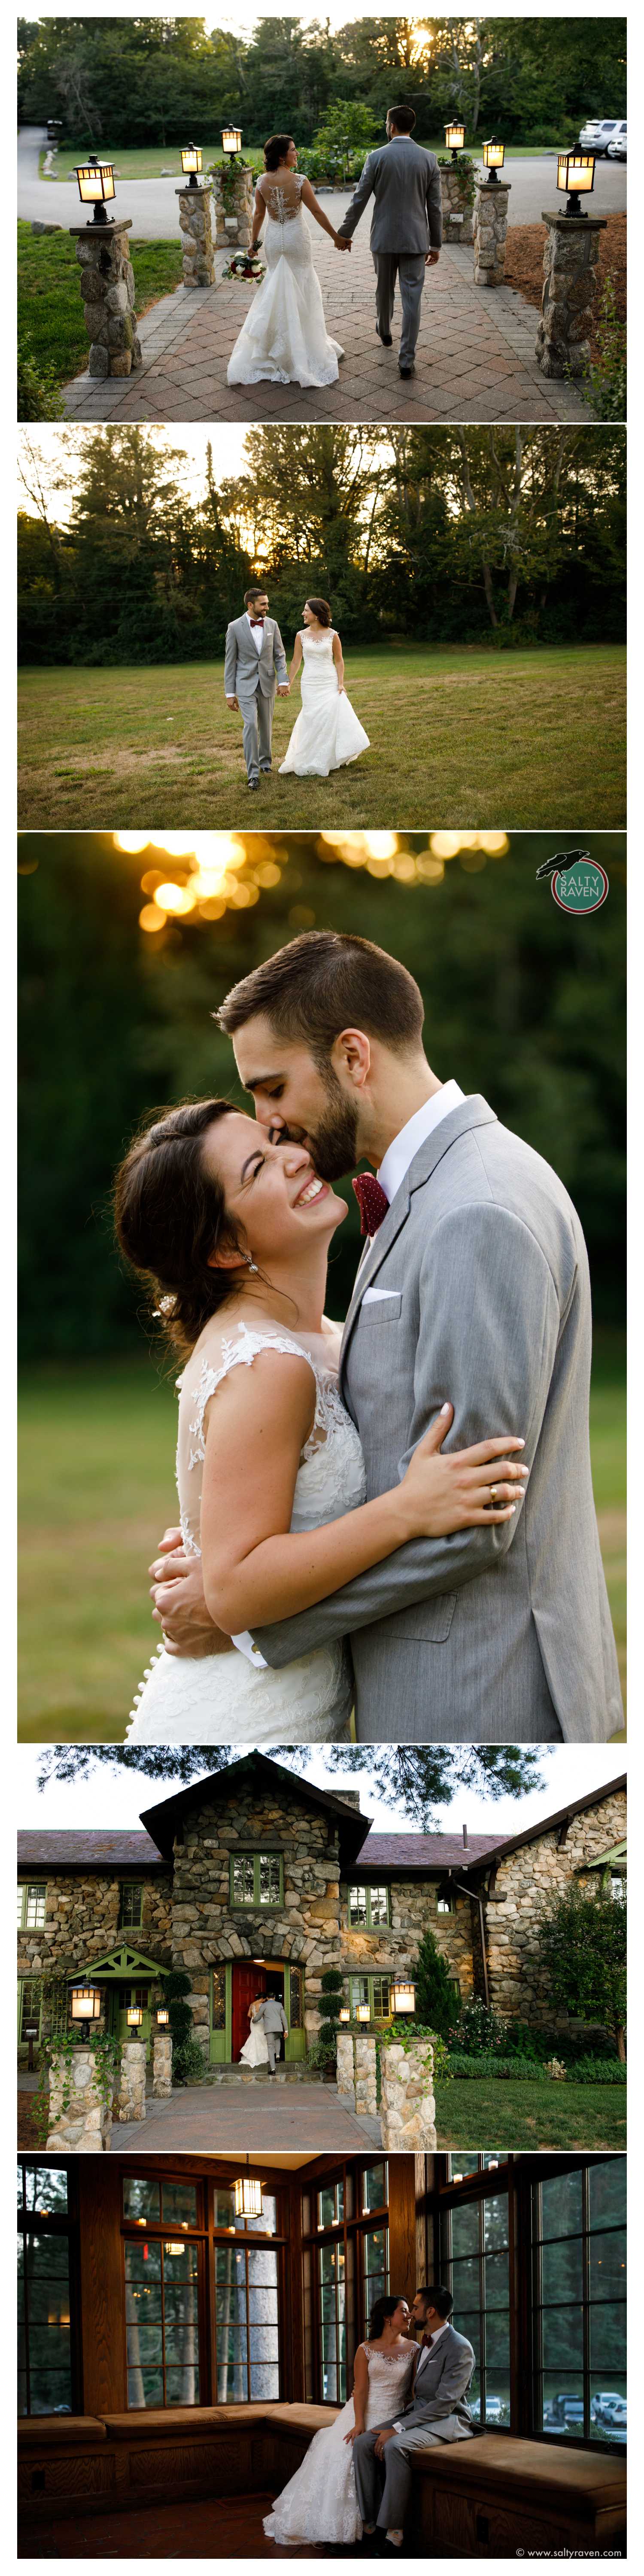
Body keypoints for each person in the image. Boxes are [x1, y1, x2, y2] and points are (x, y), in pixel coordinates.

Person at [148, 929, 623, 1744]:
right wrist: (235, 1547)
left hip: (481, 1694)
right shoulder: (425, 1193)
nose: (273, 1126)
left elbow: (474, 1519)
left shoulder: (475, 1210)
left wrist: (245, 1617)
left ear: (354, 1059)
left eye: (273, 1090)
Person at [115, 1092, 528, 1744]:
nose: (293, 1156)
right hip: (247, 1720)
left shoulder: (321, 1339)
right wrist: (407, 1510)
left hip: (299, 1702)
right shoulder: (267, 1364)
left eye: (274, 1139)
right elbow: (237, 1589)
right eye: (256, 1167)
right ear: (224, 1248)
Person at [263, 2296, 418, 2547]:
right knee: (342, 2451)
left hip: (394, 2415)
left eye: (410, 2311)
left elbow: (413, 2392)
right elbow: (361, 2390)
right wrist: (359, 2423)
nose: (409, 2316)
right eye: (404, 2311)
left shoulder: (414, 2349)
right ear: (388, 2317)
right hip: (362, 2413)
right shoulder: (366, 2349)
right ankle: (349, 2525)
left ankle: (374, 2523)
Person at [352, 2287, 475, 2552]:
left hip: (449, 2420)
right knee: (363, 2443)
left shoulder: (459, 2347)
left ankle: (394, 2534)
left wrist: (397, 2428)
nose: (412, 2314)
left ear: (430, 2312)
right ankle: (370, 2525)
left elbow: (444, 2403)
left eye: (416, 2308)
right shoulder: (422, 2346)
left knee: (396, 2446)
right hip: (418, 2414)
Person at [227, 132, 349, 389]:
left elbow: (259, 214)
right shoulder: (300, 181)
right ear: (282, 156)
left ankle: (272, 346)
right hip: (295, 239)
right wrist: (336, 237)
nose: (297, 154)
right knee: (302, 284)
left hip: (273, 239)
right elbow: (316, 211)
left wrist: (253, 244)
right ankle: (304, 347)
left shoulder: (261, 182)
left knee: (276, 286)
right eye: (293, 150)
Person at [336, 104, 442, 378]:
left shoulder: (377, 157)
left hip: (383, 238)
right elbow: (435, 207)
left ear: (392, 126)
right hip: (417, 240)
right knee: (412, 300)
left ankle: (384, 330)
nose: (386, 126)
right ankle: (406, 361)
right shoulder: (429, 159)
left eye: (386, 122)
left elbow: (359, 198)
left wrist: (345, 233)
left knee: (384, 290)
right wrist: (436, 244)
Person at [279, 597, 370, 779]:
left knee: (329, 717)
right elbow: (296, 661)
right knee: (312, 717)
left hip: (329, 681)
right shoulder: (301, 636)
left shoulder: (333, 635)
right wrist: (289, 682)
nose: (303, 614)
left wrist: (341, 683)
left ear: (317, 614)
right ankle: (310, 756)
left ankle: (330, 757)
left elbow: (339, 661)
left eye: (306, 611)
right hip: (310, 682)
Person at [224, 587, 289, 790]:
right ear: (250, 605)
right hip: (245, 685)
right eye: (263, 604)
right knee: (251, 726)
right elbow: (230, 661)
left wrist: (284, 680)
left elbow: (279, 655)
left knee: (266, 726)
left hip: (268, 683)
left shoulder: (273, 625)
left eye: (267, 603)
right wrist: (230, 693)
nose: (267, 607)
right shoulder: (234, 627)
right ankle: (253, 774)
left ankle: (266, 764)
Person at [255, 1987, 288, 2071]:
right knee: (277, 2040)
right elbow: (284, 2018)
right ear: (274, 1997)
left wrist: (254, 2020)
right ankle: (278, 2056)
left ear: (267, 1998)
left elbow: (258, 2017)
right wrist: (286, 2030)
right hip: (278, 2027)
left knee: (270, 2047)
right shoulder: (279, 2005)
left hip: (269, 2028)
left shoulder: (264, 2005)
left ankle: (273, 2069)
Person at [239, 1996, 269, 2069]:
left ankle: (250, 2056)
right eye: (264, 2000)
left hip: (253, 2022)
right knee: (262, 2038)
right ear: (262, 1998)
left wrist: (254, 2018)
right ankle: (259, 2057)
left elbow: (249, 2015)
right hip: (260, 2022)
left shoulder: (252, 2004)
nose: (264, 2001)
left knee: (254, 2037)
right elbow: (263, 2015)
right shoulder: (261, 2005)